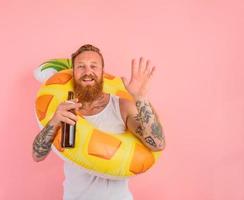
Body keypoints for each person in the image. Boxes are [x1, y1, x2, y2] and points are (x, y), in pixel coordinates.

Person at [32, 44, 166, 200]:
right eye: (81, 66)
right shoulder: (65, 108)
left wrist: (140, 97)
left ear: (102, 72)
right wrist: (53, 122)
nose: (88, 72)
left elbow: (158, 144)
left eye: (93, 66)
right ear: (73, 72)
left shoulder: (121, 106)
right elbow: (37, 155)